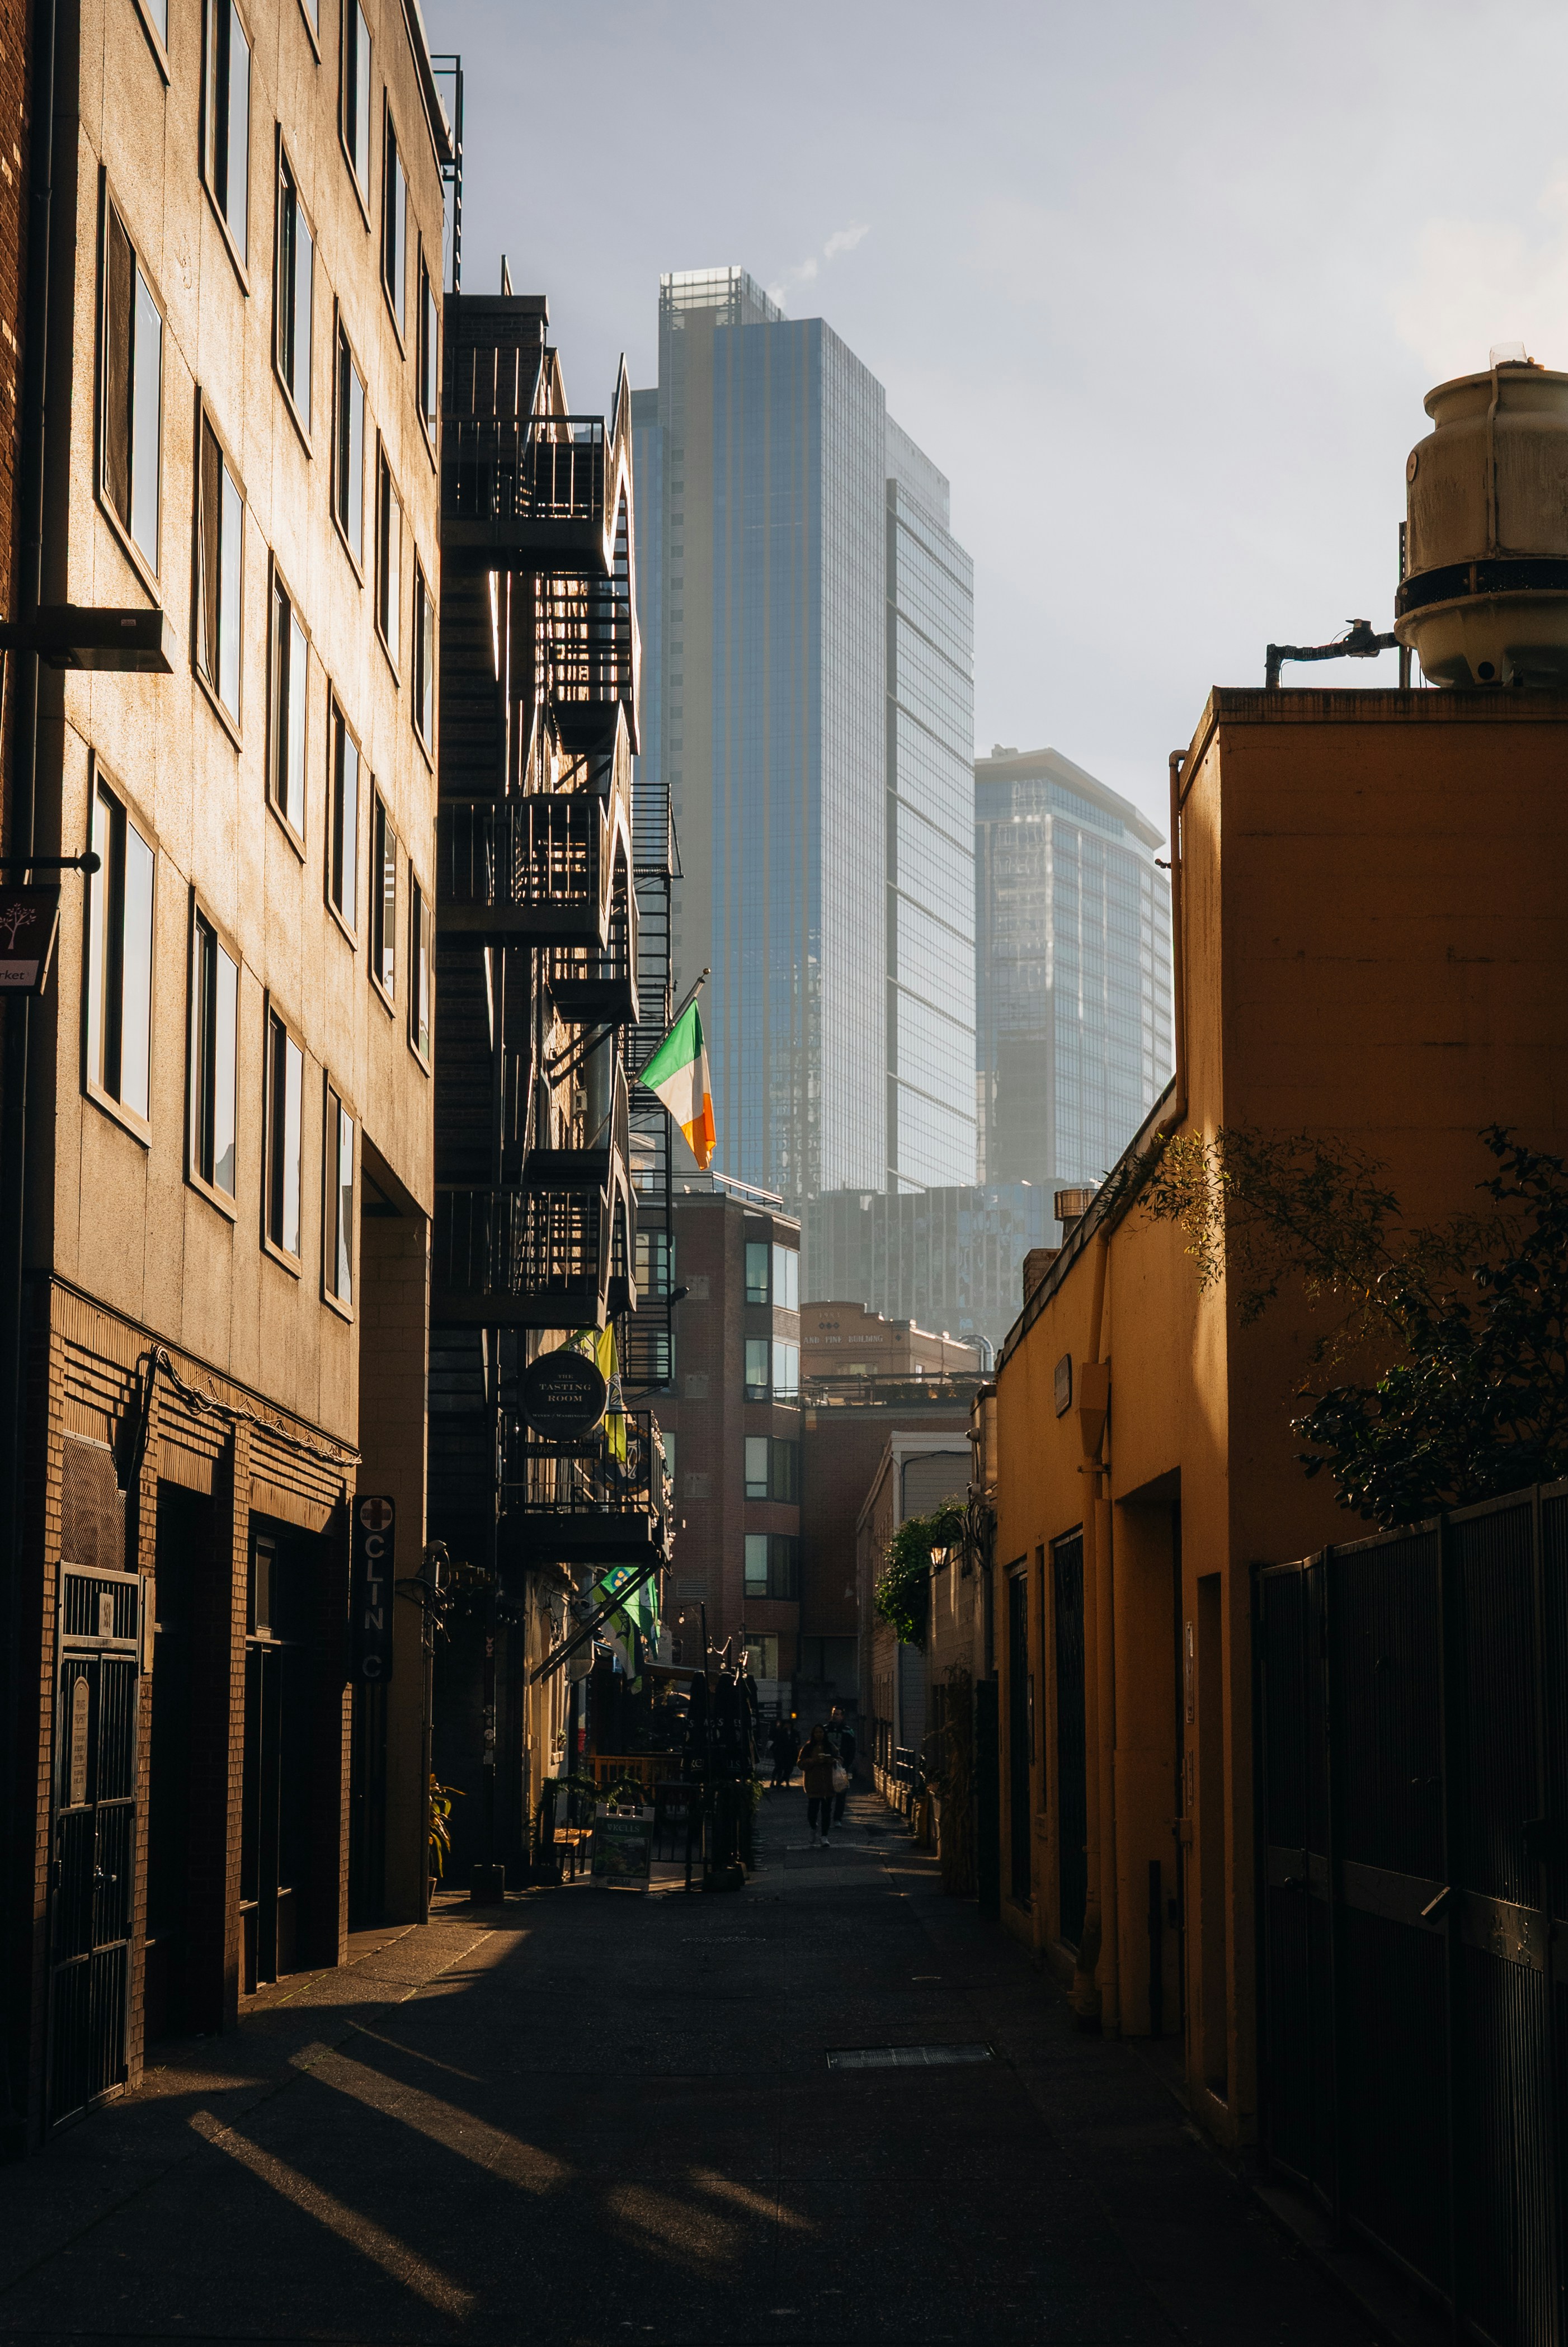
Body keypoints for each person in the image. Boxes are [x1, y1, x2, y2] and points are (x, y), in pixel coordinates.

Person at [801, 1722, 836, 1847]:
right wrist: (814, 1761)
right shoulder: (808, 1747)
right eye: (817, 1732)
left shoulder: (830, 1746)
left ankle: (824, 1836)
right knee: (812, 1812)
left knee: (826, 1812)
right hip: (813, 1785)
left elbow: (839, 1758)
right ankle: (813, 1827)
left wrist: (831, 1760)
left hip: (828, 1785)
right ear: (813, 1734)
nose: (819, 1735)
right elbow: (800, 1763)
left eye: (821, 1732)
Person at [828, 1704, 856, 1826]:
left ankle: (837, 1818)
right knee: (827, 1794)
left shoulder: (848, 1731)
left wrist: (847, 1764)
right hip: (827, 1766)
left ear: (842, 1717)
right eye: (834, 1714)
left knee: (841, 1794)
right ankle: (827, 1816)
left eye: (838, 1714)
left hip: (842, 1767)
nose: (835, 1717)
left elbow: (852, 1750)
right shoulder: (825, 1730)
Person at [767, 1718, 792, 1790]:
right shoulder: (778, 1731)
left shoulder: (788, 1732)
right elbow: (774, 1739)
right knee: (778, 1766)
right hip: (778, 1752)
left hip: (786, 1752)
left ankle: (780, 1781)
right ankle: (774, 1781)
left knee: (784, 1767)